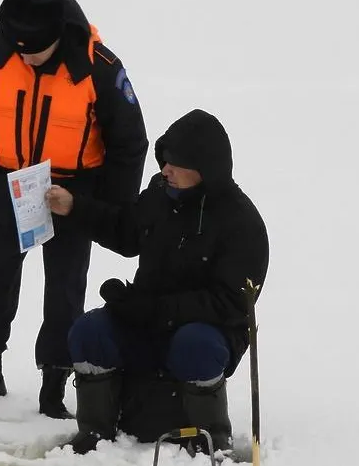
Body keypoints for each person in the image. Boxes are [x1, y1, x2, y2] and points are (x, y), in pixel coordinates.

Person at [0, 0, 148, 419]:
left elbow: (130, 142)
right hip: (8, 187)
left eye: (36, 52)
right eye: (21, 51)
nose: (27, 59)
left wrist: (106, 209)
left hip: (73, 195)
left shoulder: (98, 66)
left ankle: (53, 386)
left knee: (64, 293)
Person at [45, 109, 269, 454]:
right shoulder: (160, 197)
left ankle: (209, 439)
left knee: (195, 343)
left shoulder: (242, 223)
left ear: (204, 168)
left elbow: (230, 304)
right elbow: (124, 229)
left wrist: (154, 310)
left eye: (176, 163)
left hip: (208, 331)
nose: (166, 169)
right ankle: (97, 433)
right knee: (90, 331)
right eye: (164, 160)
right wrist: (75, 207)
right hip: (148, 317)